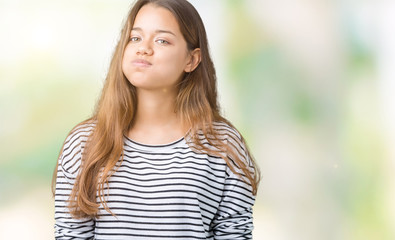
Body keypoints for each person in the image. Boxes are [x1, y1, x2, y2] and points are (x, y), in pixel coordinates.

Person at [52, 0, 261, 239]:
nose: (144, 48)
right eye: (135, 38)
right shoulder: (85, 143)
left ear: (191, 60)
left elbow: (234, 233)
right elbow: (70, 234)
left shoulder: (223, 144)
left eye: (162, 40)